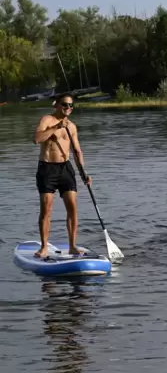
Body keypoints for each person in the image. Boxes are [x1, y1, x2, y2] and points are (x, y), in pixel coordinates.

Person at [32, 93, 91, 258]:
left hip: (66, 168)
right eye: (65, 105)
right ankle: (44, 247)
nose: (68, 108)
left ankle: (72, 246)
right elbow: (36, 139)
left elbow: (77, 151)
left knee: (72, 208)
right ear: (56, 105)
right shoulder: (47, 120)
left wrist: (83, 173)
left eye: (71, 105)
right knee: (46, 209)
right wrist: (56, 127)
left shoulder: (71, 126)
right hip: (47, 169)